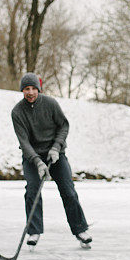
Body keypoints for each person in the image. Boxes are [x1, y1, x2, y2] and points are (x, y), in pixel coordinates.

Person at [11, 73, 92, 249]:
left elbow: (64, 126)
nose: (30, 92)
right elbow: (23, 141)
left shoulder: (50, 104)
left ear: (38, 89)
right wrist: (38, 162)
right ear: (22, 90)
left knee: (68, 190)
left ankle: (80, 229)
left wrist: (56, 147)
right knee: (32, 191)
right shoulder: (17, 112)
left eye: (33, 88)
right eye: (26, 89)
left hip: (56, 154)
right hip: (32, 157)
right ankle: (34, 231)